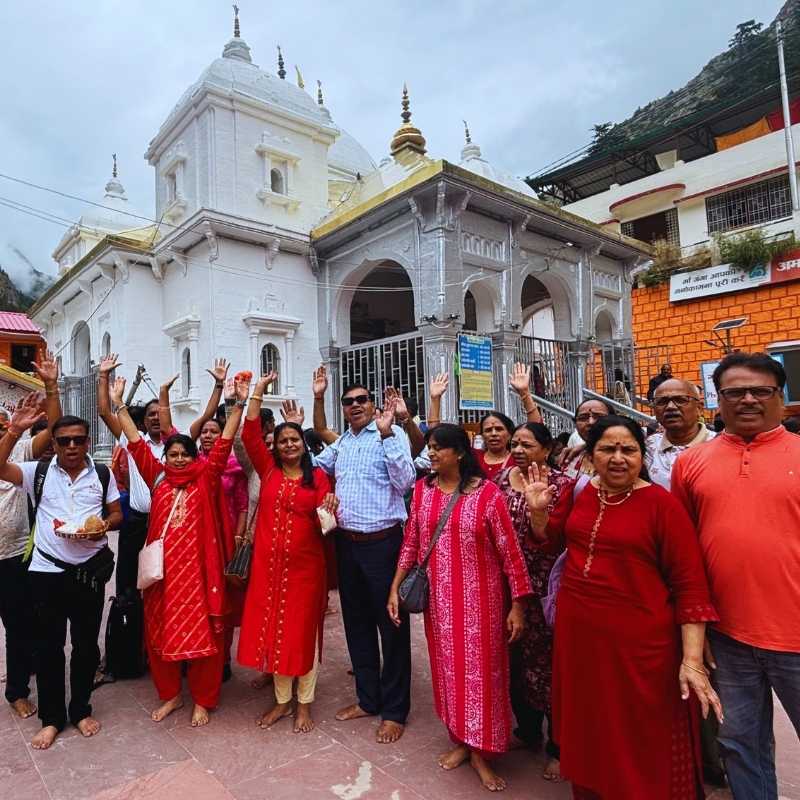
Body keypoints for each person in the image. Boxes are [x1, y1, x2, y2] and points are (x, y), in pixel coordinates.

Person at [528, 415, 722, 799]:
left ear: (641, 454)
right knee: (592, 726)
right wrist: (538, 513)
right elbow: (550, 543)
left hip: (641, 644)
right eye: (607, 449)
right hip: (580, 638)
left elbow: (691, 585)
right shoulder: (583, 493)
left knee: (642, 730)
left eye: (628, 449)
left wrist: (692, 660)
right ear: (591, 455)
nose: (618, 458)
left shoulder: (661, 505)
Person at [671, 352, 800, 800]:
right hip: (727, 638)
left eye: (760, 391)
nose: (747, 399)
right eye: (734, 392)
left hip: (796, 638)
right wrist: (696, 629)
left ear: (780, 397)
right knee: (740, 745)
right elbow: (684, 555)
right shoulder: (691, 463)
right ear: (717, 400)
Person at [387, 424, 532, 791]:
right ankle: (462, 741)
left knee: (484, 677)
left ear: (461, 453)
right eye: (430, 448)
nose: (432, 454)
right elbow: (411, 544)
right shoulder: (422, 491)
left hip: (483, 606)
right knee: (449, 673)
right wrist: (394, 589)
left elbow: (511, 555)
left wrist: (518, 606)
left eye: (438, 448)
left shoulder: (488, 496)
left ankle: (483, 751)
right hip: (439, 605)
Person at [109, 373, 247, 728]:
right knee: (159, 637)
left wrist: (238, 404)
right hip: (163, 579)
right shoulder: (157, 476)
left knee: (206, 640)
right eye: (174, 454)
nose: (181, 459)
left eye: (186, 454)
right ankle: (171, 695)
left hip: (200, 577)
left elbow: (226, 441)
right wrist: (120, 404)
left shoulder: (206, 475)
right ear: (165, 457)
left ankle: (203, 699)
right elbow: (136, 441)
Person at [0, 395, 123, 751]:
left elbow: (116, 513)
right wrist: (15, 430)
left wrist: (104, 525)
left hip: (88, 572)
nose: (72, 446)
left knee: (85, 646)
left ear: (87, 442)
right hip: (47, 572)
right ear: (53, 444)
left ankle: (81, 709)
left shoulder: (102, 473)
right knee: (49, 647)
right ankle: (52, 719)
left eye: (78, 440)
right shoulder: (36, 472)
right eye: (64, 440)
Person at [314, 379, 416, 744]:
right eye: (349, 401)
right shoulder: (343, 442)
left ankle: (394, 711)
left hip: (384, 544)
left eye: (362, 400)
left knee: (391, 627)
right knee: (356, 624)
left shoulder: (389, 435)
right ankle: (368, 699)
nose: (355, 405)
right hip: (348, 543)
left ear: (374, 405)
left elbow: (406, 482)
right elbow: (312, 467)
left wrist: (389, 436)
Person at [238, 374, 339, 733]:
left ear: (303, 444)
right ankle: (282, 702)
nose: (290, 445)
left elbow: (329, 524)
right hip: (268, 570)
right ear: (276, 447)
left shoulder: (319, 480)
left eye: (295, 439)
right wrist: (258, 392)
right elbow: (249, 434)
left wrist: (329, 506)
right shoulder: (267, 472)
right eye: (283, 441)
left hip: (306, 572)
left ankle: (304, 705)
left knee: (302, 635)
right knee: (274, 633)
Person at [494, 422, 572, 782]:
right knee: (515, 659)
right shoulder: (499, 481)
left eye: (527, 444)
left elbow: (558, 538)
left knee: (551, 666)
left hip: (545, 589)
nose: (519, 450)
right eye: (515, 444)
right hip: (506, 585)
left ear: (546, 449)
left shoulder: (563, 484)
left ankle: (558, 746)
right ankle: (526, 731)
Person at [0, 355, 62, 721]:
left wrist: (51, 388)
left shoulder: (21, 449)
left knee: (19, 624)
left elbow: (56, 430)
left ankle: (17, 691)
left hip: (14, 556)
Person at [426, 364, 542, 480]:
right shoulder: (473, 456)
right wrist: (435, 400)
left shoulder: (518, 456)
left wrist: (525, 393)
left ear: (510, 434)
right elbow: (435, 436)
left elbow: (536, 430)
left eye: (499, 429)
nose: (493, 433)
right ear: (481, 435)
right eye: (488, 430)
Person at [646, 379, 715, 491]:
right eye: (662, 401)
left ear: (699, 408)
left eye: (680, 400)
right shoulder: (648, 447)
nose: (670, 407)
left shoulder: (719, 444)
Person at [561, 398, 612, 478]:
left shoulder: (627, 455)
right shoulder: (572, 458)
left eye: (599, 417)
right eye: (583, 418)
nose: (591, 422)